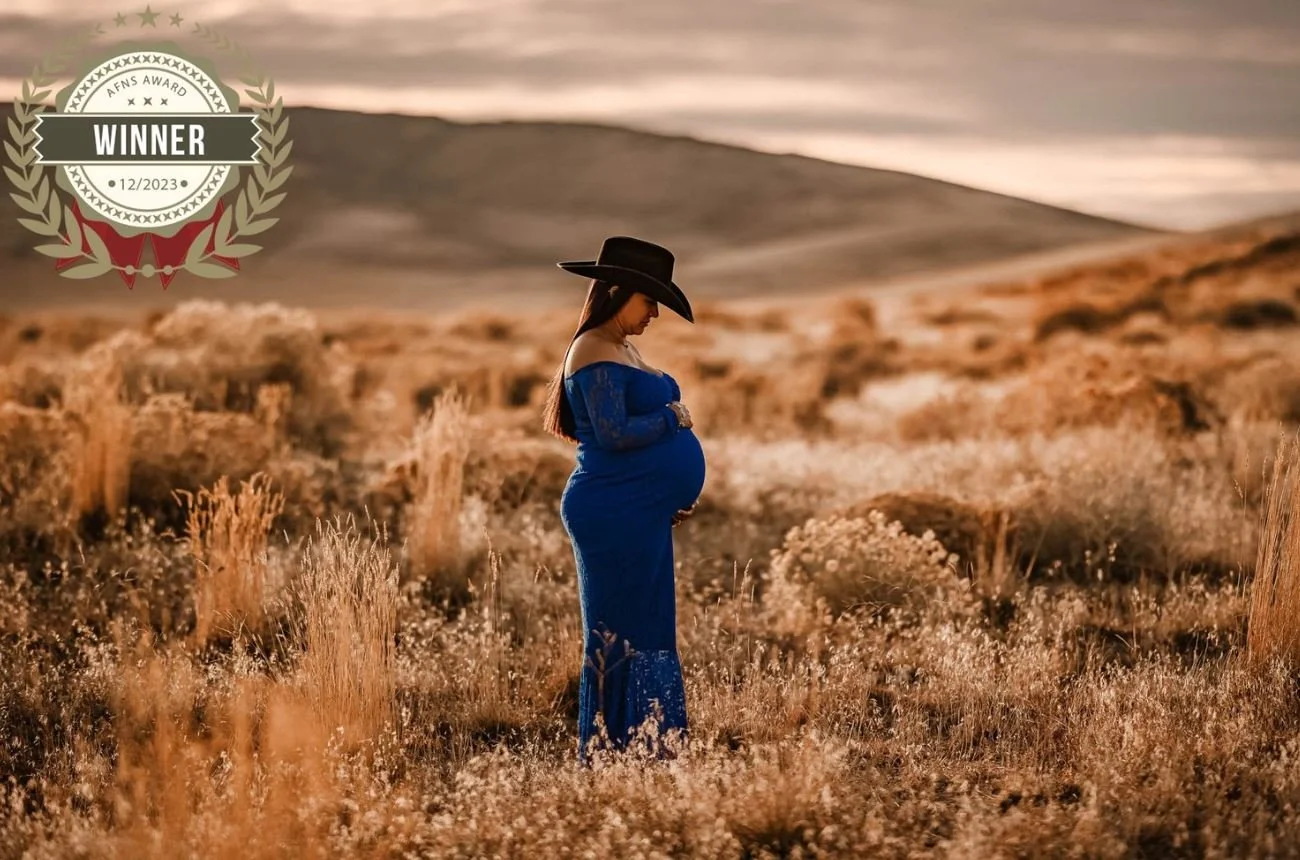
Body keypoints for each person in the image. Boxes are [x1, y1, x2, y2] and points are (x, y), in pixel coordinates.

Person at [540, 236, 706, 763]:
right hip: (610, 511)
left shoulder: (621, 346)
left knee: (650, 624)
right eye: (648, 300)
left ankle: (652, 747)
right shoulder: (591, 347)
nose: (655, 313)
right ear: (616, 292)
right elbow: (611, 434)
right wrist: (672, 418)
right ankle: (613, 751)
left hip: (637, 508)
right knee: (620, 629)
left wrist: (661, 493)